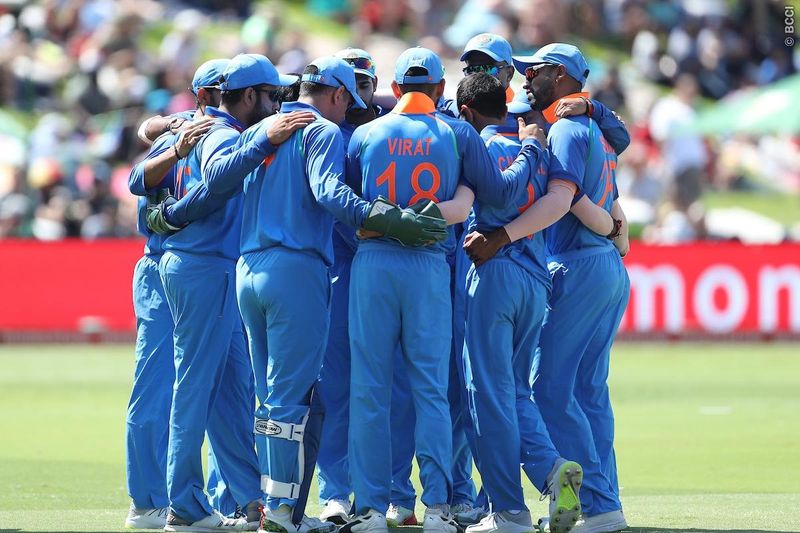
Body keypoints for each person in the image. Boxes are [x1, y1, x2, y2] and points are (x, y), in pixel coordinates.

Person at [221, 55, 448, 533]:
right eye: (349, 102)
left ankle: (270, 502)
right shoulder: (321, 131)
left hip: (248, 268)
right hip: (296, 270)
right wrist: (387, 218)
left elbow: (222, 181)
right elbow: (328, 192)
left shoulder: (260, 131)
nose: (349, 113)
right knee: (292, 397)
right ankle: (281, 512)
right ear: (339, 94)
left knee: (267, 397)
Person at [341, 47, 542, 533]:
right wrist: (528, 152)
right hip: (429, 265)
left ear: (394, 89)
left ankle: (371, 509)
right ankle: (437, 508)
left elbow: (351, 201)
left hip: (373, 263)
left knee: (369, 389)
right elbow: (499, 192)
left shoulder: (366, 133)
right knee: (431, 390)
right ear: (439, 89)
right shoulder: (457, 132)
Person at [465, 43, 630, 533]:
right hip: (603, 265)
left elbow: (560, 200)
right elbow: (612, 204)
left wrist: (501, 237)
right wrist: (614, 237)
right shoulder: (595, 129)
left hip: (575, 264)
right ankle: (606, 505)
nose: (524, 79)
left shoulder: (566, 128)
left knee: (550, 389)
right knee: (588, 391)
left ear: (559, 75)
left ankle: (597, 503)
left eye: (532, 71)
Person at [156, 53, 299, 533]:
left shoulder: (212, 127)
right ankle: (184, 506)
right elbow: (218, 178)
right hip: (205, 267)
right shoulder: (222, 133)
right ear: (250, 95)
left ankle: (248, 498)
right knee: (196, 389)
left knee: (230, 394)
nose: (277, 105)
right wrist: (264, 139)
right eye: (272, 96)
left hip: (212, 266)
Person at [123, 58, 227, 530]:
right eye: (223, 91)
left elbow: (146, 127)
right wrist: (172, 133)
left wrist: (166, 124)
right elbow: (138, 178)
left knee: (213, 386)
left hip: (189, 267)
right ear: (206, 96)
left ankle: (212, 498)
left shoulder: (198, 127)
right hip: (168, 266)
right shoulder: (186, 133)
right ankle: (149, 501)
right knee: (159, 384)